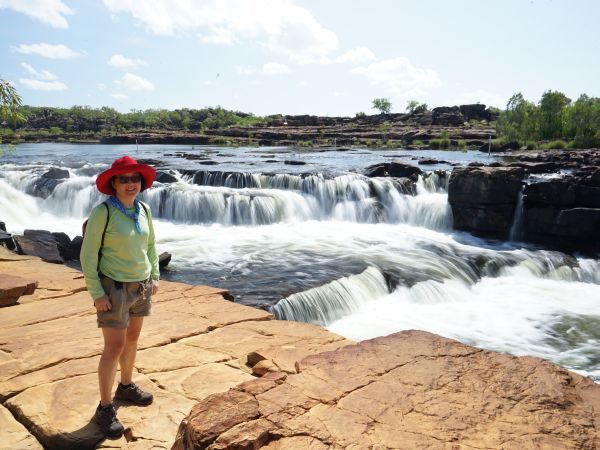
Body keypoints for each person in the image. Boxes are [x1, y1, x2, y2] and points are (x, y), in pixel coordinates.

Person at [80, 155, 159, 439]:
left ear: (141, 182)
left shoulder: (144, 209)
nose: (130, 184)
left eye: (135, 178)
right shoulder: (104, 212)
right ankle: (104, 407)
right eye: (124, 179)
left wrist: (156, 277)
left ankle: (125, 386)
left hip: (141, 285)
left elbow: (150, 245)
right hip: (113, 287)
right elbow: (87, 256)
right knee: (114, 346)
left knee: (133, 339)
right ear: (113, 182)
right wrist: (97, 293)